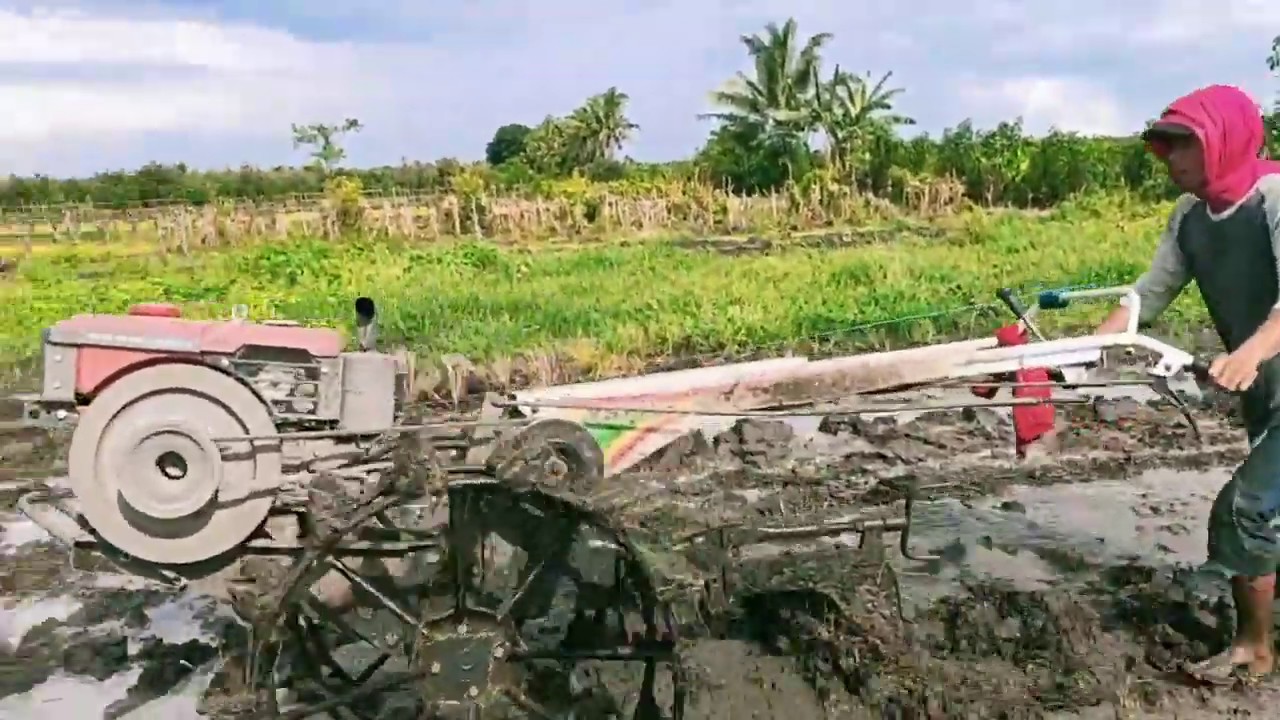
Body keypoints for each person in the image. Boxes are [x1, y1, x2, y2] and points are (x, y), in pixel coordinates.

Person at [1094, 84, 1280, 683]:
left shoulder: (1274, 198)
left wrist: (1249, 351)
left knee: (1247, 510)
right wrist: (1077, 353)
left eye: (1184, 144)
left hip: (1265, 369)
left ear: (1223, 142)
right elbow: (1146, 296)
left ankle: (1255, 649)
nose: (1170, 158)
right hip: (1268, 392)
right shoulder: (1189, 219)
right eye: (1165, 145)